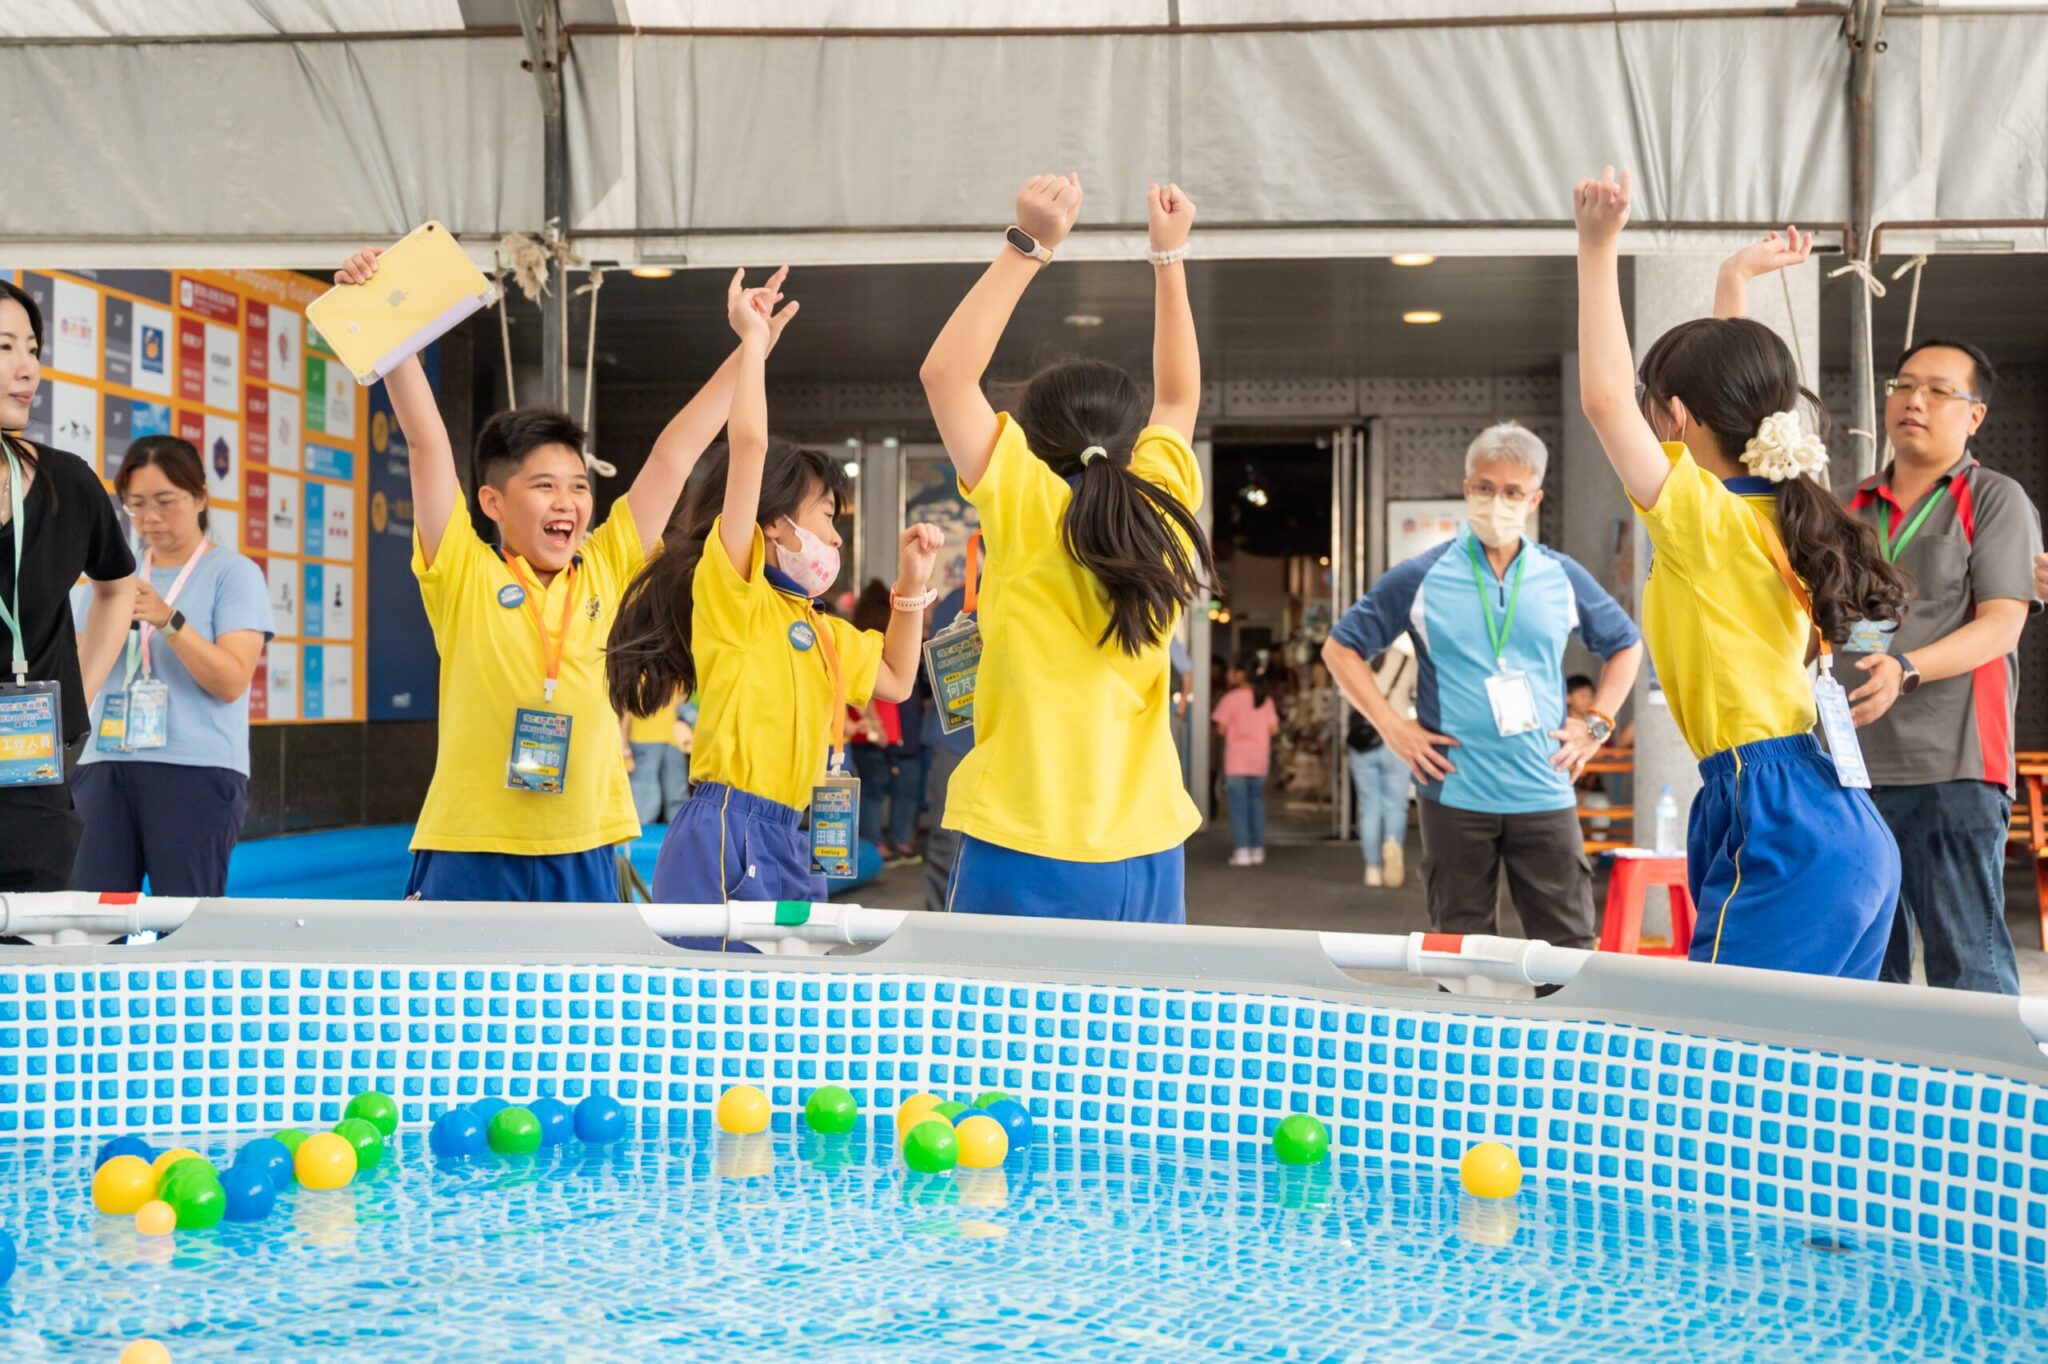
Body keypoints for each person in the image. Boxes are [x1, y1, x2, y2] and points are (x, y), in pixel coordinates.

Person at [336, 248, 771, 905]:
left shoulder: (608, 563)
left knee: (577, 1009)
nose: (567, 502)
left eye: (577, 486)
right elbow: (426, 443)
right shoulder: (460, 570)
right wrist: (383, 317)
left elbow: (675, 453)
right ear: (492, 502)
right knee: (459, 1010)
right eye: (544, 486)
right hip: (470, 842)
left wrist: (752, 347)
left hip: (588, 840)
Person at [1574, 168, 1908, 979]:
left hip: (1772, 817)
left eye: (1664, 411)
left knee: (1725, 1073)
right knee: (1812, 1088)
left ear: (1678, 420)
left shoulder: (1704, 522)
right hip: (1844, 827)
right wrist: (1732, 285)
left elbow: (1605, 401)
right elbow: (1735, 407)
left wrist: (1596, 248)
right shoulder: (1784, 508)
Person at [920, 175, 1213, 922]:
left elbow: (946, 374)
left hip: (1025, 839)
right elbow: (1178, 399)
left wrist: (1030, 244)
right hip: (1149, 848)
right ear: (1127, 439)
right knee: (1138, 1040)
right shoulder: (1160, 507)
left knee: (1003, 1043)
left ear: (1032, 440)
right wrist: (1168, 257)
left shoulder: (1026, 503)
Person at [607, 268, 940, 922]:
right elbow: (751, 444)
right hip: (727, 826)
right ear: (771, 523)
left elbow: (899, 678)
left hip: (800, 831)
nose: (836, 538)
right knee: (717, 1006)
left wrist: (913, 585)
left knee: (781, 1010)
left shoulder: (822, 631)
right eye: (826, 517)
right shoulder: (734, 590)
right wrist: (753, 344)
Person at [1324, 421, 1642, 955]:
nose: (1497, 501)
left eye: (1513, 491)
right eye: (1485, 487)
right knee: (1459, 953)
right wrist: (1393, 728)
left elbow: (1626, 645)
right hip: (1454, 793)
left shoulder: (1559, 577)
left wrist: (1597, 724)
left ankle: (1564, 1041)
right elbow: (1341, 648)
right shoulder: (1421, 576)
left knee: (1568, 953)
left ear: (1534, 498)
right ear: (1467, 487)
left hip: (1543, 787)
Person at [1833, 338, 2039, 994]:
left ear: (1974, 415)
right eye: (1903, 385)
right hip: (1852, 768)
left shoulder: (1996, 499)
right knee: (1867, 968)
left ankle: (1991, 1098)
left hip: (1952, 769)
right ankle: (1873, 1097)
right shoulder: (1851, 508)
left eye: (1939, 390)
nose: (1914, 400)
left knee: (1965, 965)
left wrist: (1906, 668)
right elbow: (1846, 627)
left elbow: (2002, 625)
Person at [69, 437, 273, 895]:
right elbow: (80, 677)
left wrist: (168, 618)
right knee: (92, 920)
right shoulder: (111, 580)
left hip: (196, 769)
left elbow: (231, 680)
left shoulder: (233, 574)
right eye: (135, 504)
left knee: (186, 924)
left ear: (200, 496)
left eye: (165, 502)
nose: (150, 519)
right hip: (105, 764)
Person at [0, 280, 135, 892]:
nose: (27, 367)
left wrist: (81, 682)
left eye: (32, 347)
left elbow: (116, 586)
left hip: (27, 769)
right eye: (4, 347)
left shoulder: (67, 484)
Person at [920, 582, 977, 911]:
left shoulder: (959, 598)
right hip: (959, 740)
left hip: (968, 741)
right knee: (948, 839)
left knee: (950, 840)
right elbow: (934, 672)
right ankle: (943, 924)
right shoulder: (962, 600)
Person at [1346, 640, 1416, 887]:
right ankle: (1393, 844)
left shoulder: (1354, 659)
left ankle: (1372, 867)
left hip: (1363, 742)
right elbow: (1415, 696)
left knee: (1369, 806)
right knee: (1396, 805)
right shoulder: (1406, 661)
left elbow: (1346, 695)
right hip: (1396, 742)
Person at [1212, 654, 1279, 867]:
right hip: (1259, 759)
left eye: (1234, 670)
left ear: (1242, 674)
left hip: (1237, 760)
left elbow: (1221, 729)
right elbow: (1274, 729)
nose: (1230, 674)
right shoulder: (1265, 699)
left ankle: (1242, 850)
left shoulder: (1230, 698)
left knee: (1238, 806)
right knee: (1257, 804)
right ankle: (1257, 848)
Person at [622, 691, 690, 826]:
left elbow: (685, 706)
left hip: (672, 740)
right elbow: (625, 710)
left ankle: (680, 834)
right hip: (644, 738)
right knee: (646, 795)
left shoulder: (678, 673)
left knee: (675, 793)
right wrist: (624, 745)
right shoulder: (636, 673)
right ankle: (639, 840)